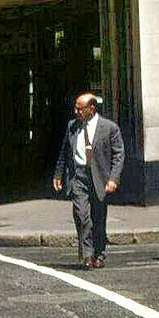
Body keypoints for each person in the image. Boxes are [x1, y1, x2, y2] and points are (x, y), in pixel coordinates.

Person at [53, 92, 124, 269]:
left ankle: (99, 253)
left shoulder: (109, 128)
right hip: (78, 177)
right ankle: (87, 254)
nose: (76, 111)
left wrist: (113, 178)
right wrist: (58, 174)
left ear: (91, 109)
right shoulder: (72, 126)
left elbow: (118, 155)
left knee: (98, 219)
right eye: (75, 108)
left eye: (80, 108)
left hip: (100, 177)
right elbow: (64, 151)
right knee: (81, 216)